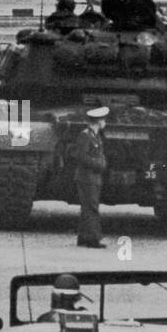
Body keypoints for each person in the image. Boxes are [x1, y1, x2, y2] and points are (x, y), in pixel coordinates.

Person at [74, 106, 108, 248]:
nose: (105, 122)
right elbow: (81, 156)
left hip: (93, 177)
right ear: (98, 121)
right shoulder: (85, 135)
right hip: (87, 177)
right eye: (103, 119)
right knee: (92, 207)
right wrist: (98, 165)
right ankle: (94, 239)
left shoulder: (96, 136)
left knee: (87, 207)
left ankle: (83, 237)